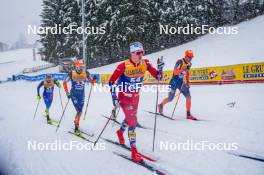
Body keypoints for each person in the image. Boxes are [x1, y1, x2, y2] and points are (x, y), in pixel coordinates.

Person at [109, 42, 164, 162]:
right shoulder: (123, 66)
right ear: (132, 53)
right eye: (138, 53)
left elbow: (159, 77)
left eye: (142, 52)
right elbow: (111, 81)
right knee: (132, 122)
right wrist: (114, 98)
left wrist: (160, 68)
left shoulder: (145, 63)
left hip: (136, 97)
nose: (141, 55)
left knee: (130, 118)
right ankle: (134, 151)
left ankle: (120, 132)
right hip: (124, 97)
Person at [158, 49, 197, 120]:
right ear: (186, 56)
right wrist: (183, 69)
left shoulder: (189, 64)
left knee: (188, 96)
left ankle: (188, 114)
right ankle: (161, 105)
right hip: (173, 81)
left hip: (181, 82)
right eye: (189, 57)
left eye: (191, 57)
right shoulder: (180, 62)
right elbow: (175, 72)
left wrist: (187, 81)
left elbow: (187, 73)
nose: (190, 59)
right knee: (170, 98)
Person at [63, 59, 92, 135]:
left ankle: (76, 121)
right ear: (76, 66)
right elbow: (64, 82)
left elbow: (92, 82)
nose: (80, 68)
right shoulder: (71, 73)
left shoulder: (85, 73)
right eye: (79, 67)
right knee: (78, 111)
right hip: (74, 95)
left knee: (80, 111)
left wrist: (93, 80)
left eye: (82, 67)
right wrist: (67, 93)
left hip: (82, 95)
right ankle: (76, 126)